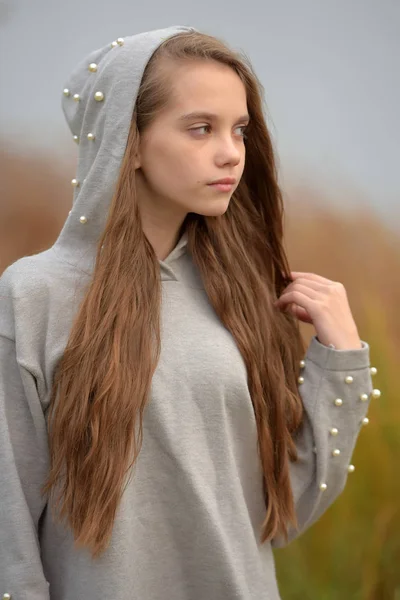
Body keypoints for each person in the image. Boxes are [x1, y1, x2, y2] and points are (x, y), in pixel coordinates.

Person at [0, 25, 379, 600]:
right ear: (126, 142)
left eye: (239, 129)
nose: (230, 151)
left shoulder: (245, 294)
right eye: (200, 128)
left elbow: (281, 511)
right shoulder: (34, 297)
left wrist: (341, 361)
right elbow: (9, 534)